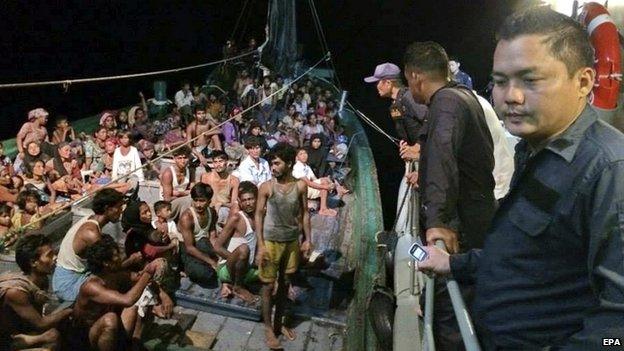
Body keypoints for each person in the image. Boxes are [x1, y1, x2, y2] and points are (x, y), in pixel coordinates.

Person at [418, 7, 624, 350]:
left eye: (531, 80)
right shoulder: (535, 149)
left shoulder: (609, 172)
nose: (510, 96)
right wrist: (453, 264)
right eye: (500, 81)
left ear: (583, 82)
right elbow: (525, 252)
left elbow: (615, 332)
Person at [403, 41, 496, 350]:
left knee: (449, 312)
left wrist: (438, 221)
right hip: (479, 218)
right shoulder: (465, 97)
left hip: (460, 229)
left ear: (415, 76)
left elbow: (443, 155)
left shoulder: (445, 104)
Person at [255, 143, 312, 349]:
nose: (273, 167)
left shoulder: (300, 186)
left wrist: (307, 239)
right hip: (270, 242)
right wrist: (260, 245)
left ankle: (279, 323)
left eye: (277, 163)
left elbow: (305, 213)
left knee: (286, 282)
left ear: (289, 164)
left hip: (291, 242)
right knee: (268, 285)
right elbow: (259, 216)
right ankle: (269, 328)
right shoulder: (266, 187)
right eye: (272, 163)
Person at [72, 235, 164, 351]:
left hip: (109, 332)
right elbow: (128, 299)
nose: (120, 258)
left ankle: (132, 344)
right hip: (86, 337)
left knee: (136, 304)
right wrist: (149, 273)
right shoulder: (92, 286)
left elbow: (138, 277)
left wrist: (161, 290)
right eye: (116, 256)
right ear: (106, 263)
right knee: (110, 319)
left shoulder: (114, 276)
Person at [52, 188, 127, 302]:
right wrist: (131, 260)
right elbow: (110, 266)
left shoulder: (91, 221)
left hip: (77, 275)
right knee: (119, 278)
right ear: (107, 208)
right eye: (118, 207)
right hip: (68, 283)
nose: (120, 211)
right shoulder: (91, 233)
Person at [0, 235, 72, 351]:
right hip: (6, 342)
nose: (55, 258)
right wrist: (71, 309)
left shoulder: (42, 281)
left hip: (17, 336)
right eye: (49, 255)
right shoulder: (16, 292)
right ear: (33, 262)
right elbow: (41, 323)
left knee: (54, 335)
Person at [213, 181, 259, 302]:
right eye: (244, 200)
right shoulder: (236, 218)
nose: (248, 203)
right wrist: (236, 259)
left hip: (248, 269)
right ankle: (237, 287)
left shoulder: (259, 217)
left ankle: (228, 285)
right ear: (239, 201)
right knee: (243, 249)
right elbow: (217, 247)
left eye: (251, 199)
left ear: (257, 199)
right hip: (228, 268)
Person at [364, 62, 428, 146]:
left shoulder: (409, 97)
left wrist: (419, 146)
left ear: (388, 83)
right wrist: (405, 144)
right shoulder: (395, 104)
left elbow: (431, 121)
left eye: (377, 82)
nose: (376, 87)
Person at [178, 183, 219, 288]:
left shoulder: (212, 213)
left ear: (209, 201)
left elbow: (213, 237)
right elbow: (189, 248)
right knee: (205, 275)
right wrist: (211, 262)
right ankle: (188, 269)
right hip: (189, 252)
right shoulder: (187, 217)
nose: (198, 204)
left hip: (204, 247)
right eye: (195, 200)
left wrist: (218, 256)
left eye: (202, 201)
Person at [292, 148, 337, 216]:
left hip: (308, 188)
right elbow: (308, 183)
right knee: (324, 185)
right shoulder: (297, 167)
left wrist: (327, 183)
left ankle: (324, 208)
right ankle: (323, 209)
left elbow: (315, 179)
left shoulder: (307, 167)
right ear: (297, 157)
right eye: (301, 154)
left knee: (325, 181)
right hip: (302, 191)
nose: (304, 155)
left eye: (305, 153)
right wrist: (326, 186)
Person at [201, 150, 240, 229]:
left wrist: (221, 204)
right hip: (207, 208)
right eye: (215, 162)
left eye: (221, 161)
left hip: (224, 211)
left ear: (227, 162)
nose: (218, 165)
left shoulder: (234, 180)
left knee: (223, 212)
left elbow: (234, 204)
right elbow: (200, 196)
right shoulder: (205, 177)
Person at [159, 146, 193, 221]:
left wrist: (178, 193)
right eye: (180, 158)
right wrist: (185, 194)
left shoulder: (190, 171)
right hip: (166, 206)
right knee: (187, 200)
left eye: (185, 158)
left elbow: (193, 192)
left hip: (180, 202)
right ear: (174, 159)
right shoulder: (168, 173)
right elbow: (167, 199)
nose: (183, 161)